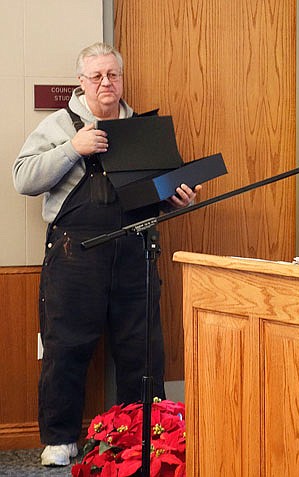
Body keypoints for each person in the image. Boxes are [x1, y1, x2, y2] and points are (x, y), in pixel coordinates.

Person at [12, 42, 200, 467]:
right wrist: (72, 149)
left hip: (136, 254)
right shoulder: (60, 125)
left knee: (142, 349)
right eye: (95, 76)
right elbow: (22, 178)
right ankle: (60, 440)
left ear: (121, 78)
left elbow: (162, 187)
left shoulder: (144, 129)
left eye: (112, 75)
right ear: (81, 81)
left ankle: (147, 439)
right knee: (65, 348)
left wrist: (178, 196)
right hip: (75, 257)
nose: (105, 83)